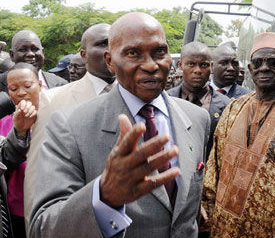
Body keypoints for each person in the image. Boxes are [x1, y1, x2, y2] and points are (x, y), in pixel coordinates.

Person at [29, 12, 210, 237]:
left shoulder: (197, 118)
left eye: (159, 52)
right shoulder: (69, 126)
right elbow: (43, 227)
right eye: (133, 53)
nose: (151, 65)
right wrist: (104, 197)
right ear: (110, 61)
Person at [202, 32, 275, 237]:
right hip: (223, 228)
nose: (264, 67)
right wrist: (207, 215)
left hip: (271, 229)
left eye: (273, 62)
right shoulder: (234, 108)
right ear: (250, 69)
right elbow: (214, 167)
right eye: (258, 62)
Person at [23, 23, 116, 229]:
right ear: (84, 54)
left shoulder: (140, 98)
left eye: (116, 43)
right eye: (102, 44)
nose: (110, 49)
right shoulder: (53, 100)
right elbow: (37, 175)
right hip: (78, 223)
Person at [167, 41, 231, 158]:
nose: (197, 70)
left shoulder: (227, 105)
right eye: (191, 64)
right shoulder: (166, 100)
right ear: (180, 65)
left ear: (211, 67)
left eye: (203, 65)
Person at [0, 63, 40, 238]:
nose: (21, 93)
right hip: (17, 206)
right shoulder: (3, 124)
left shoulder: (56, 116)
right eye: (14, 88)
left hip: (49, 202)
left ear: (40, 85)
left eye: (28, 86)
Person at [0, 30, 67, 93]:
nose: (30, 54)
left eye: (35, 49)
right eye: (23, 50)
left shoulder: (61, 85)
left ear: (43, 53)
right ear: (12, 55)